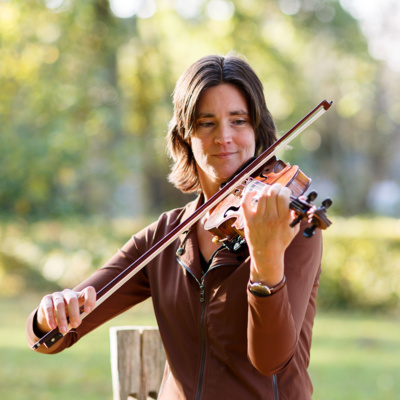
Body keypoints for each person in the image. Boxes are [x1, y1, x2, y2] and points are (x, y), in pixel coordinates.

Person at [26, 54, 322, 399]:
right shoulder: (166, 235)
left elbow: (271, 360)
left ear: (257, 129)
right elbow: (54, 337)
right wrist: (51, 315)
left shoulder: (290, 226)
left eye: (238, 121)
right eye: (206, 123)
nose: (224, 137)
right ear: (185, 135)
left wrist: (267, 260)